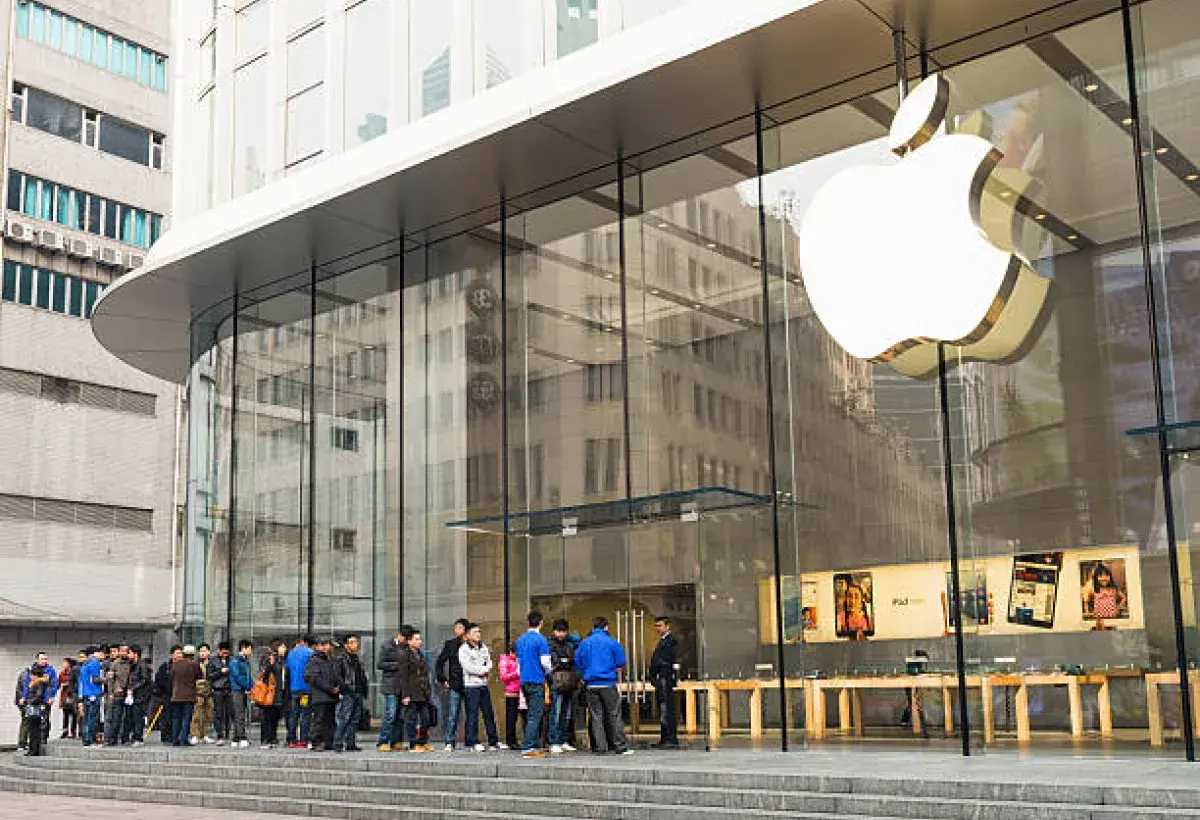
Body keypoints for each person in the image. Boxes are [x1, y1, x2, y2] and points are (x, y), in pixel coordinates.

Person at [575, 616, 631, 755]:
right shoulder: (612, 642)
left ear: (593, 627)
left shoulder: (584, 643)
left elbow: (578, 662)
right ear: (606, 627)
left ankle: (600, 747)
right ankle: (620, 746)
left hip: (591, 685)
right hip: (608, 683)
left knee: (596, 716)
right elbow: (620, 662)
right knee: (614, 715)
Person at [459, 623, 502, 751]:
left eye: (479, 631)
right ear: (467, 635)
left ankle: (493, 741)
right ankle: (473, 742)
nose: (478, 634)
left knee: (489, 713)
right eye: (475, 632)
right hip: (471, 686)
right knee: (473, 715)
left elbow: (489, 662)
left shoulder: (483, 647)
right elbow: (468, 667)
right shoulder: (463, 649)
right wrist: (483, 670)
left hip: (483, 685)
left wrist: (486, 668)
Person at [515, 611, 552, 758]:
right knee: (535, 715)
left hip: (524, 680)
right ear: (541, 623)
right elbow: (545, 662)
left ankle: (535, 745)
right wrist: (549, 672)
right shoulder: (541, 640)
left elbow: (518, 663)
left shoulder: (520, 640)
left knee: (531, 713)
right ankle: (528, 747)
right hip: (536, 680)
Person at [435, 618, 469, 751]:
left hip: (470, 683)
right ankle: (449, 741)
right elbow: (440, 662)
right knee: (453, 714)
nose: (456, 630)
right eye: (455, 627)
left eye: (459, 627)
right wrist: (443, 679)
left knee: (471, 714)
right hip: (455, 684)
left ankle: (471, 741)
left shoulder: (472, 644)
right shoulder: (450, 644)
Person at [375, 626, 410, 752]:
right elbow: (380, 664)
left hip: (402, 686)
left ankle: (397, 741)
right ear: (400, 636)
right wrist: (397, 665)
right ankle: (382, 742)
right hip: (390, 685)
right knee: (390, 714)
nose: (406, 642)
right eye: (405, 639)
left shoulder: (407, 647)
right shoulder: (387, 645)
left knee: (400, 716)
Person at [17, 652, 58, 757]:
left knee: (42, 722)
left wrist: (51, 697)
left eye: (46, 659)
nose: (44, 661)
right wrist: (24, 697)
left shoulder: (50, 670)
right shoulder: (32, 671)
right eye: (42, 659)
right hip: (34, 702)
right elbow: (27, 686)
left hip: (41, 702)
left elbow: (53, 685)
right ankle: (32, 745)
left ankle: (41, 742)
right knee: (32, 725)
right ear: (37, 660)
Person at [399, 629, 434, 753]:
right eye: (416, 639)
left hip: (423, 692)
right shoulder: (404, 655)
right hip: (411, 693)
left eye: (420, 639)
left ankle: (423, 742)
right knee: (411, 720)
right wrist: (405, 695)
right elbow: (403, 677)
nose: (420, 642)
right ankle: (413, 744)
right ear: (409, 641)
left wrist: (428, 691)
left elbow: (425, 674)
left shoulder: (421, 654)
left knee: (426, 719)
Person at [334, 634, 368, 752]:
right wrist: (345, 688)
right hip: (348, 692)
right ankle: (338, 742)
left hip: (358, 691)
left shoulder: (358, 657)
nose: (355, 644)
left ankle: (350, 743)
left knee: (355, 719)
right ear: (346, 645)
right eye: (352, 642)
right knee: (344, 717)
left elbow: (362, 675)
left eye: (356, 642)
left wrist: (364, 690)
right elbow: (338, 676)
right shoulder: (341, 658)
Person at [649, 616, 679, 749]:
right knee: (663, 709)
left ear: (667, 626)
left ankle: (670, 738)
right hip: (661, 678)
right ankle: (665, 738)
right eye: (656, 626)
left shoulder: (670, 641)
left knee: (667, 709)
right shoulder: (663, 641)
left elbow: (666, 660)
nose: (657, 628)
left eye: (660, 626)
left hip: (665, 678)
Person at [548, 619, 578, 754]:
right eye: (558, 631)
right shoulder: (550, 644)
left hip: (568, 683)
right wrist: (564, 661)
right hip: (556, 683)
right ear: (554, 631)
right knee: (556, 712)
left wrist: (564, 661)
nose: (561, 634)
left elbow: (571, 660)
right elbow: (555, 662)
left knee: (566, 714)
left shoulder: (569, 643)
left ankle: (563, 740)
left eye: (564, 631)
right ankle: (554, 741)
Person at [305, 637, 338, 752]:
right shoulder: (314, 659)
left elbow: (335, 676)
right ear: (322, 645)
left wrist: (338, 688)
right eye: (330, 646)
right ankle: (315, 742)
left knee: (330, 720)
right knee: (319, 719)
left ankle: (328, 741)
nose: (332, 648)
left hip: (331, 696)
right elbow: (314, 678)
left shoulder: (330, 659)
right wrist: (330, 688)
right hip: (320, 695)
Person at [285, 636, 315, 748]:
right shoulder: (310, 652)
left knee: (294, 714)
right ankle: (303, 739)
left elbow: (287, 670)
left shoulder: (291, 653)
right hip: (305, 689)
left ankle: (291, 739)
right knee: (305, 714)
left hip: (294, 689)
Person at [170, 645, 202, 748]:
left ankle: (175, 740)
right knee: (186, 718)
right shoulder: (195, 664)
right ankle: (183, 739)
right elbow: (199, 677)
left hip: (176, 695)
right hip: (189, 696)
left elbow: (171, 678)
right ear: (193, 654)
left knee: (176, 718)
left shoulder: (175, 664)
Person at [257, 640, 287, 748]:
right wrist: (271, 663)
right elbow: (264, 674)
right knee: (267, 716)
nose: (284, 649)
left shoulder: (282, 660)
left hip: (279, 692)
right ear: (276, 648)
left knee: (275, 716)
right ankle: (266, 738)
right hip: (270, 692)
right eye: (282, 647)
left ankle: (273, 737)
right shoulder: (269, 659)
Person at [124, 645, 153, 746]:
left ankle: (138, 738)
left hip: (140, 695)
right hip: (132, 695)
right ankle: (134, 736)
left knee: (138, 717)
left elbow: (145, 680)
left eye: (130, 653)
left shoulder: (142, 665)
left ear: (135, 654)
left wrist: (133, 688)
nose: (128, 655)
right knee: (131, 717)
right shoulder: (133, 664)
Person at [229, 639, 254, 748]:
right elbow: (237, 676)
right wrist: (248, 686)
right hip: (237, 690)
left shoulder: (244, 660)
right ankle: (242, 737)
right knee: (239, 715)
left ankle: (235, 738)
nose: (251, 651)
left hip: (242, 690)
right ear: (243, 648)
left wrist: (253, 685)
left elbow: (248, 676)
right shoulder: (235, 661)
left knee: (240, 714)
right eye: (249, 649)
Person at [151, 646, 179, 745]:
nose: (179, 655)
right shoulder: (166, 666)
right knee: (166, 717)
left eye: (180, 653)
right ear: (172, 654)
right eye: (177, 653)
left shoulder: (183, 666)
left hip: (179, 695)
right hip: (167, 695)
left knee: (176, 717)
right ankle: (166, 736)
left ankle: (175, 735)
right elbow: (159, 679)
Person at [105, 644, 132, 747]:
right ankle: (113, 739)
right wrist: (111, 692)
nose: (124, 653)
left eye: (126, 651)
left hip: (129, 693)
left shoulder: (131, 663)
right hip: (117, 694)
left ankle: (125, 738)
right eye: (122, 651)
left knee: (128, 717)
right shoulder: (115, 664)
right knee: (116, 717)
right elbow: (110, 679)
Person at [78, 646, 105, 748]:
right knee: (92, 718)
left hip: (86, 694)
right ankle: (91, 741)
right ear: (93, 654)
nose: (101, 655)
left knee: (86, 719)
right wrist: (107, 679)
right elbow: (95, 679)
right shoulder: (95, 663)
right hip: (93, 693)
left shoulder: (84, 664)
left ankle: (86, 741)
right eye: (99, 652)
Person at [498, 644, 522, 750]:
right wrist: (516, 673)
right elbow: (504, 677)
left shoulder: (519, 659)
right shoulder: (505, 660)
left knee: (519, 716)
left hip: (521, 691)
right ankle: (510, 740)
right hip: (511, 692)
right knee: (511, 717)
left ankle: (515, 739)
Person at [211, 642, 233, 746]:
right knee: (218, 713)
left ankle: (228, 733)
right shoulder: (213, 660)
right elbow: (209, 675)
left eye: (226, 652)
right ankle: (220, 734)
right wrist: (220, 671)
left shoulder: (232, 660)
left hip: (229, 689)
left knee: (229, 712)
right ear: (218, 651)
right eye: (223, 652)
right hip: (218, 689)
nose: (225, 654)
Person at [58, 657, 77, 740]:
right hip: (64, 696)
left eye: (65, 663)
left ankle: (73, 732)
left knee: (74, 714)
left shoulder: (74, 672)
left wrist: (68, 684)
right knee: (65, 715)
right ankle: (65, 731)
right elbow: (58, 684)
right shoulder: (62, 673)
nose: (63, 665)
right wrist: (61, 685)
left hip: (72, 695)